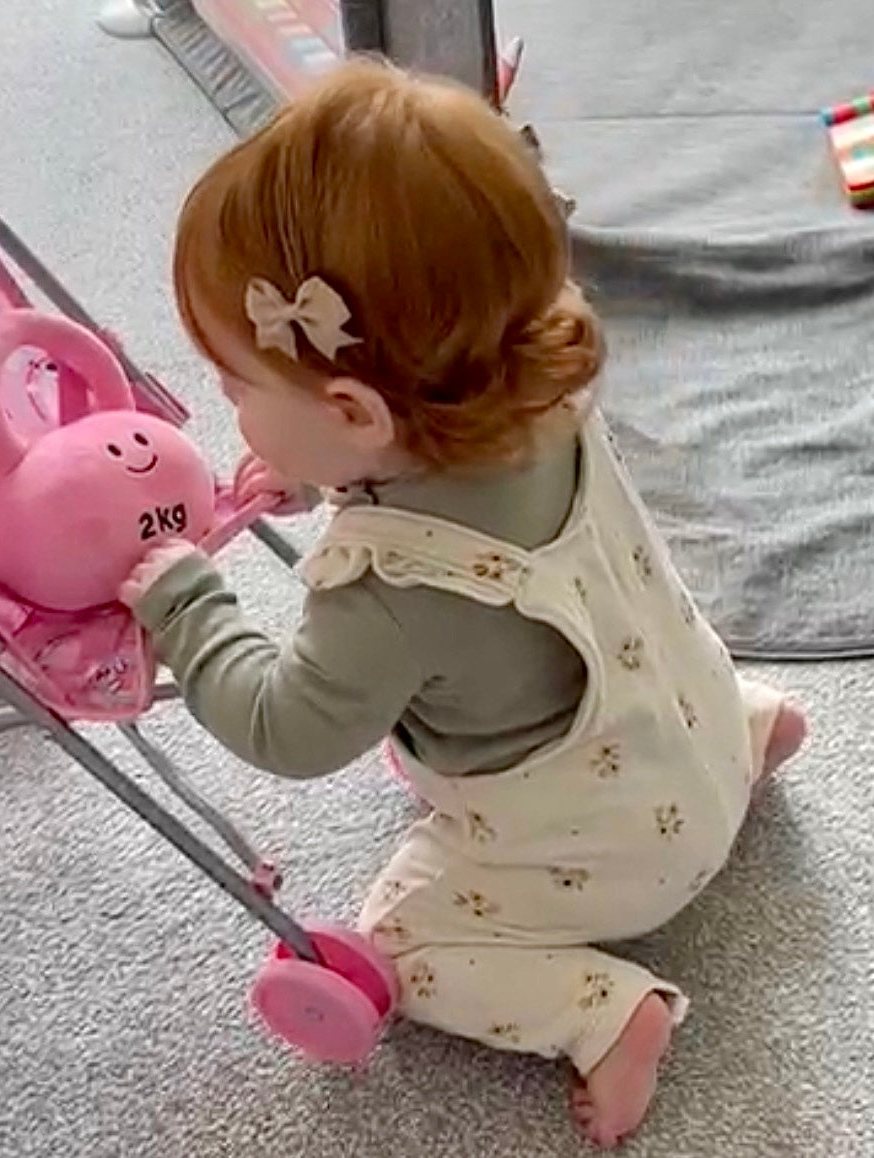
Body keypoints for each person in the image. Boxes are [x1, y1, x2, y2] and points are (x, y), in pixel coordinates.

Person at [120, 60, 807, 1147]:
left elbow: (285, 728)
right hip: (694, 723)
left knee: (401, 941)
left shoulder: (390, 590)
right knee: (626, 658)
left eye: (235, 384)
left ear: (351, 408)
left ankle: (604, 1012)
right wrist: (320, 471)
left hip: (613, 857)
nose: (226, 403)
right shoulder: (531, 384)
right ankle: (759, 732)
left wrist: (189, 603)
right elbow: (412, 448)